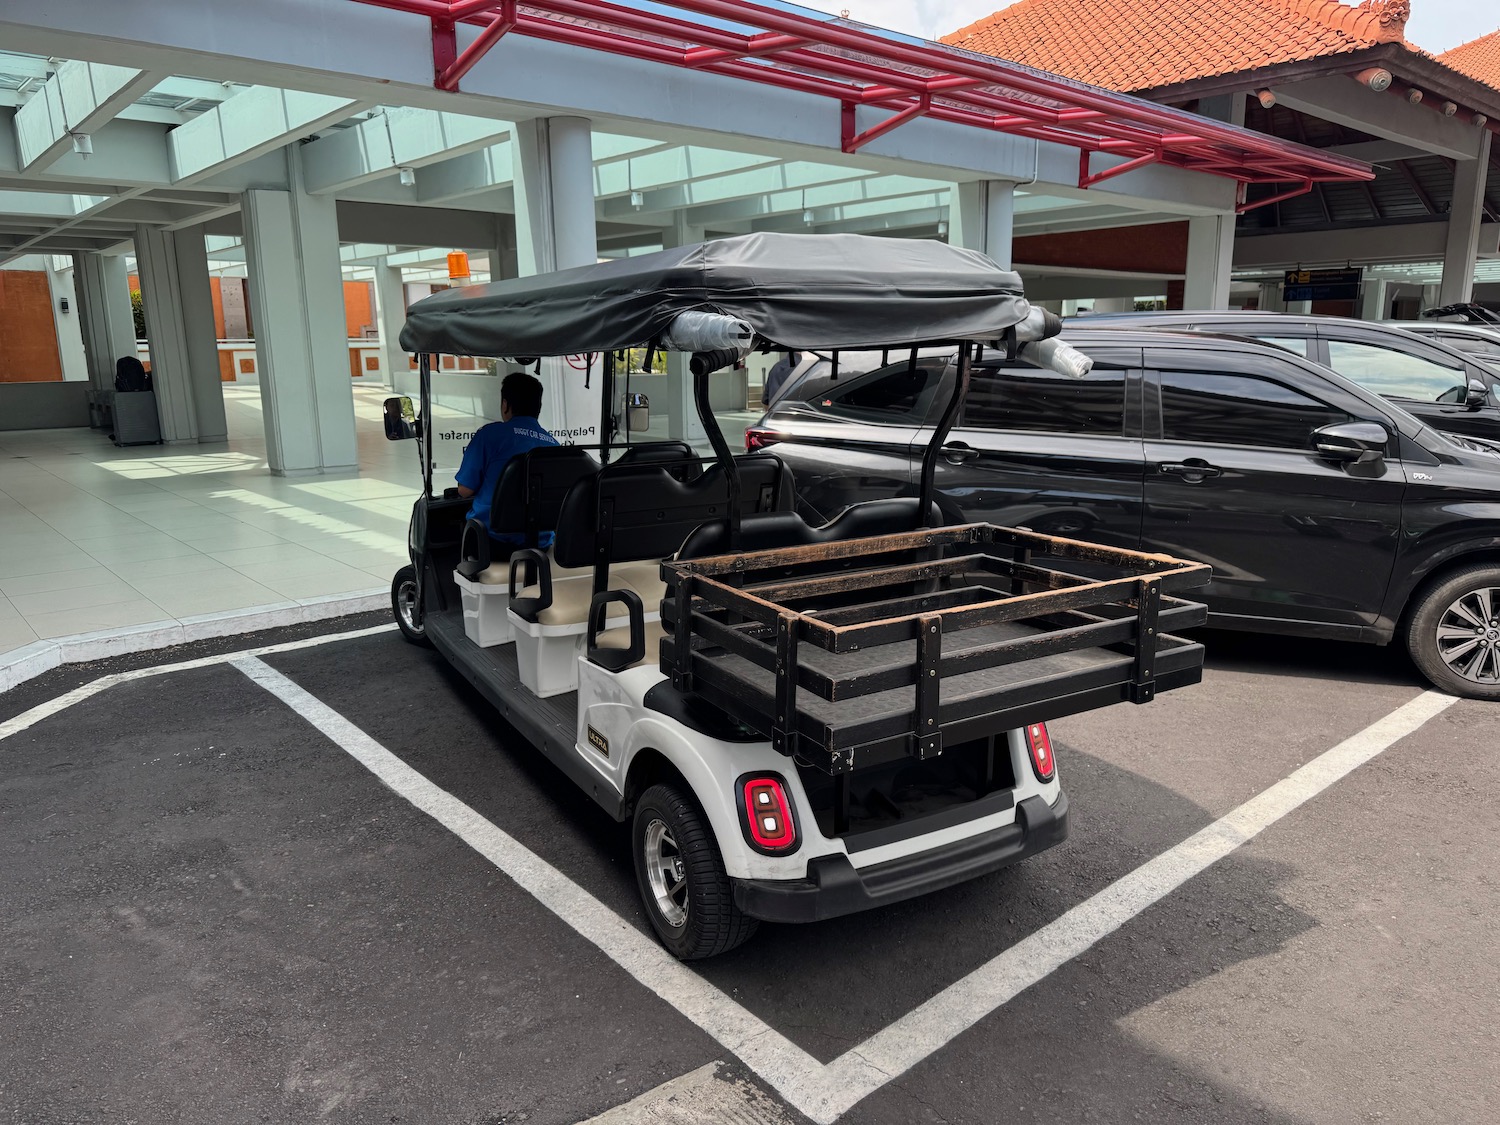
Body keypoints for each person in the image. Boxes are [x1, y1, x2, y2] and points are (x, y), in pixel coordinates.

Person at [454, 371, 559, 548]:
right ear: (538, 407)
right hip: (540, 544)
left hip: (490, 541)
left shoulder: (489, 435)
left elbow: (464, 490)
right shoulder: (554, 445)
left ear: (505, 405)